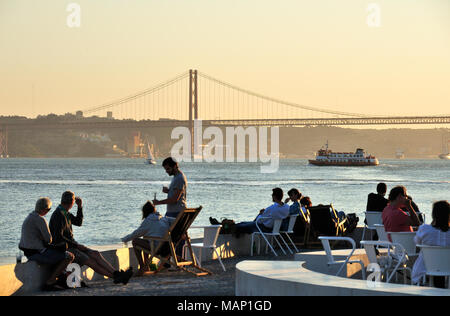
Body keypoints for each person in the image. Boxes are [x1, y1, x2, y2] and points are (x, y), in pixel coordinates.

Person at [49, 191, 132, 285]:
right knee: (90, 261)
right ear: (72, 202)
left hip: (73, 245)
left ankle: (117, 274)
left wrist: (80, 207)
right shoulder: (58, 215)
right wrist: (77, 246)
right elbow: (58, 237)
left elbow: (78, 222)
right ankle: (117, 277)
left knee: (95, 253)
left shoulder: (65, 213)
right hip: (66, 247)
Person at [19, 197, 75, 291]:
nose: (48, 211)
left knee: (58, 254)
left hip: (29, 253)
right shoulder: (40, 219)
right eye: (48, 209)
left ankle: (59, 278)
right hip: (37, 253)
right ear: (45, 209)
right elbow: (49, 239)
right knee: (69, 256)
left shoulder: (29, 217)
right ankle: (50, 282)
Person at [121, 201, 172, 276]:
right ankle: (146, 266)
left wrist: (124, 239)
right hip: (167, 247)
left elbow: (136, 233)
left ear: (145, 212)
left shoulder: (148, 221)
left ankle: (142, 267)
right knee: (146, 239)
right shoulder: (164, 219)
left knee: (135, 241)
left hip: (158, 248)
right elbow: (176, 220)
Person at [412, 200, 450, 287]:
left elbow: (416, 242)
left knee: (432, 261)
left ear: (434, 214)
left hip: (426, 266)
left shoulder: (425, 229)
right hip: (447, 266)